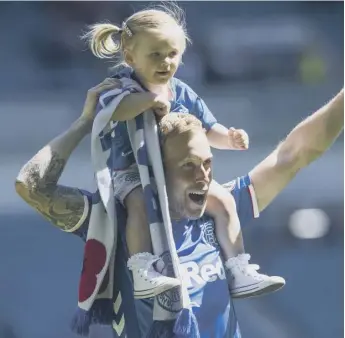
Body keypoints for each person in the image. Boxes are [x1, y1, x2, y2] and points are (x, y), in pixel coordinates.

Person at [15, 79, 344, 337]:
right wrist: (86, 122)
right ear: (158, 171)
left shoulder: (220, 212)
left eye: (207, 163)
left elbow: (296, 153)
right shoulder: (118, 221)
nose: (203, 176)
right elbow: (31, 187)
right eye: (188, 165)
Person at [83, 5, 284, 300]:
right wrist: (147, 101)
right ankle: (142, 270)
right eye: (156, 55)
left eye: (172, 54)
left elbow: (207, 127)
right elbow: (114, 112)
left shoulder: (181, 91)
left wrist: (229, 138)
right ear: (130, 57)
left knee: (224, 201)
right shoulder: (121, 88)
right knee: (138, 203)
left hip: (179, 177)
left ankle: (238, 269)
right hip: (133, 174)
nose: (166, 62)